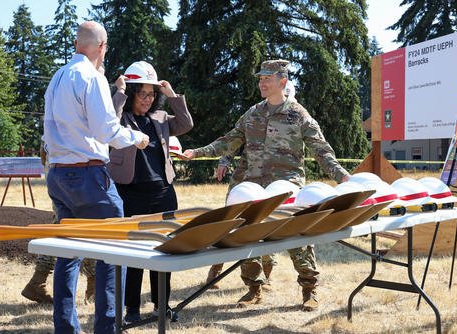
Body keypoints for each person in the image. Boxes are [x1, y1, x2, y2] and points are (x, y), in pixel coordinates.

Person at [183, 59, 350, 311]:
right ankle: (254, 288)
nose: (261, 82)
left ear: (282, 81)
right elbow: (229, 140)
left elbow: (321, 149)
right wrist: (197, 152)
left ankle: (309, 289)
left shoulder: (298, 114)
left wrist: (340, 176)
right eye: (260, 78)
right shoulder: (253, 113)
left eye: (267, 78)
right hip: (252, 186)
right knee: (244, 236)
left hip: (286, 186)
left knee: (295, 235)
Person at [43, 21, 149, 334]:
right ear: (101, 47)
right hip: (88, 175)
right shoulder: (91, 77)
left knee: (68, 253)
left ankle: (65, 328)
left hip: (59, 174)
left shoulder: (58, 76)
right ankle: (108, 327)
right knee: (115, 252)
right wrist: (137, 138)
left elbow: (49, 130)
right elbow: (107, 131)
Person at [107, 61, 193, 323]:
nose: (147, 99)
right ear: (132, 93)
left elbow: (186, 123)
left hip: (163, 192)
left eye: (151, 94)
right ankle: (131, 310)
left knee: (164, 250)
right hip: (130, 192)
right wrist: (119, 92)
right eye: (142, 93)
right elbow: (107, 119)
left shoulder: (161, 119)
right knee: (134, 254)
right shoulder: (121, 118)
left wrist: (172, 95)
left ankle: (161, 305)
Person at [205, 80, 297, 290]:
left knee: (267, 224)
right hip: (244, 181)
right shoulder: (257, 114)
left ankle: (266, 274)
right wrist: (224, 161)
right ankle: (214, 271)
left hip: (274, 182)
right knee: (229, 223)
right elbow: (235, 139)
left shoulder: (293, 115)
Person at [21, 142, 96, 304]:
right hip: (70, 162)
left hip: (62, 160)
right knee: (76, 224)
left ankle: (37, 281)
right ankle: (93, 283)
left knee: (68, 224)